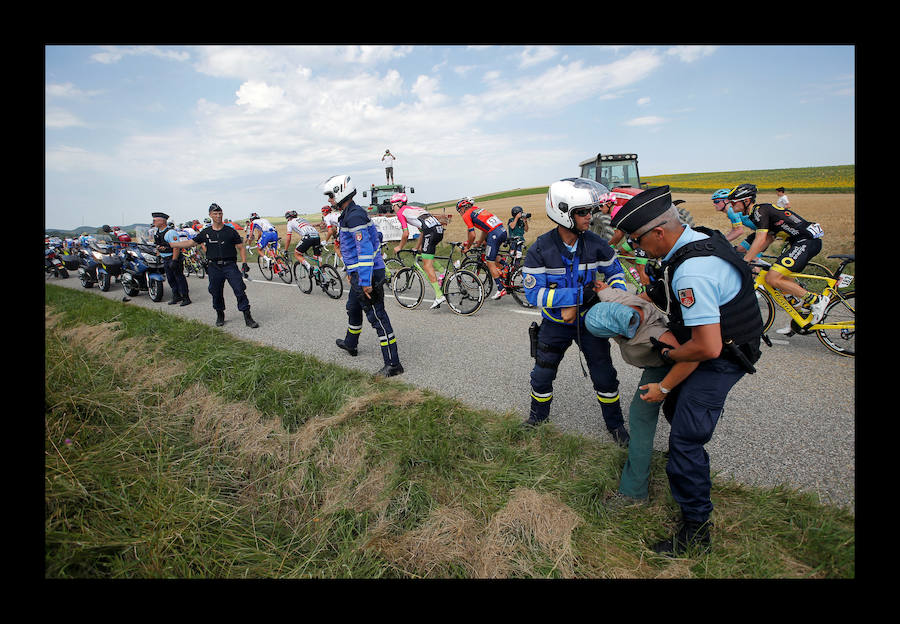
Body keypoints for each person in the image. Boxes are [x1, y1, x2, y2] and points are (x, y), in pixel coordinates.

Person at [610, 184, 764, 555]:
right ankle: (684, 466)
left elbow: (706, 348)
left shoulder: (691, 272)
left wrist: (668, 364)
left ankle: (695, 532)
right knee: (678, 411)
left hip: (722, 358)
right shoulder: (699, 239)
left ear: (658, 232)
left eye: (637, 240)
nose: (636, 249)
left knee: (686, 440)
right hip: (729, 342)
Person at [521, 177, 631, 447]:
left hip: (590, 322)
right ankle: (537, 419)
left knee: (605, 376)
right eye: (582, 212)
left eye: (590, 211)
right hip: (554, 325)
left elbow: (616, 274)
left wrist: (609, 294)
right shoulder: (539, 249)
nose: (589, 217)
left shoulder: (596, 243)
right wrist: (581, 295)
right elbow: (535, 294)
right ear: (563, 212)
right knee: (542, 374)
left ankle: (616, 425)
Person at [584, 284, 698, 503]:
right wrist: (599, 287)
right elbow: (602, 286)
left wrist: (663, 387)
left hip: (674, 362)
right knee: (677, 409)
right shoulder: (616, 298)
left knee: (641, 415)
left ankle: (633, 492)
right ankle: (680, 452)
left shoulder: (658, 337)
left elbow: (689, 358)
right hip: (669, 357)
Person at [325, 174, 403, 377]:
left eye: (331, 196)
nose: (329, 200)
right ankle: (351, 343)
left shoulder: (354, 216)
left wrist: (365, 281)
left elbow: (365, 250)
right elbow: (374, 236)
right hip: (358, 273)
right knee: (352, 307)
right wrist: (351, 272)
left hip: (366, 275)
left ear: (341, 193)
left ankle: (393, 364)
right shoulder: (350, 214)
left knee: (377, 317)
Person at [728, 183, 829, 323]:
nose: (731, 205)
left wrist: (745, 261)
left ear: (746, 201)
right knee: (781, 279)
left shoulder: (759, 211)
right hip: (800, 242)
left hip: (806, 241)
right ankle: (801, 316)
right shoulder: (756, 213)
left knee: (772, 278)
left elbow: (761, 238)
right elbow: (769, 237)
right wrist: (753, 257)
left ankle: (817, 300)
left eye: (733, 202)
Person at [167, 203, 259, 328]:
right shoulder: (206, 232)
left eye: (220, 213)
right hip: (214, 267)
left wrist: (244, 263)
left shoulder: (230, 231)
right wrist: (173, 245)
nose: (218, 216)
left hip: (230, 265)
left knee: (239, 290)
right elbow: (190, 243)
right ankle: (220, 314)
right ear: (210, 215)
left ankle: (247, 317)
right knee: (216, 292)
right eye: (215, 214)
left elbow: (240, 247)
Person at [392, 192, 447, 310]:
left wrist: (399, 247)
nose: (393, 209)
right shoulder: (415, 208)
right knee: (425, 255)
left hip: (431, 232)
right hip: (438, 230)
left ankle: (439, 295)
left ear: (399, 204)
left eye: (393, 206)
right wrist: (417, 248)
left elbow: (405, 233)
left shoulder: (401, 213)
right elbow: (422, 231)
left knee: (427, 266)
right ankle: (443, 272)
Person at [457, 197, 510, 300]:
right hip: (502, 231)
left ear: (464, 208)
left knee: (489, 261)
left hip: (494, 234)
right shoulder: (478, 209)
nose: (460, 213)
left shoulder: (467, 215)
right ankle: (506, 266)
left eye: (459, 210)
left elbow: (472, 235)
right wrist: (480, 243)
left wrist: (467, 247)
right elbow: (484, 230)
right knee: (492, 254)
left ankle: (500, 288)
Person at [151, 212, 191, 307]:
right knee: (171, 279)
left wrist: (174, 260)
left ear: (162, 221)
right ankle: (176, 296)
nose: (153, 222)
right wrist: (158, 253)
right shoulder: (157, 232)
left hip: (173, 258)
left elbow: (176, 247)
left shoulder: (170, 232)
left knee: (179, 278)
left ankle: (186, 298)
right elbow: (158, 245)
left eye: (155, 220)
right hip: (165, 259)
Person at [711, 188, 758, 256]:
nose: (714, 204)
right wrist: (722, 239)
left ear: (726, 201)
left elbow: (739, 231)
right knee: (740, 250)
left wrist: (720, 241)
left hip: (766, 232)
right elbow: (735, 229)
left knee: (751, 259)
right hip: (760, 232)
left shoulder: (731, 211)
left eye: (717, 201)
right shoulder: (731, 210)